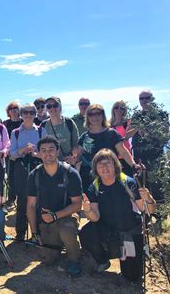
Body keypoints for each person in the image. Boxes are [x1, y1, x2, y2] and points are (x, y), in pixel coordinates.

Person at [80, 149, 156, 281]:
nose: (104, 167)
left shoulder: (129, 183)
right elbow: (95, 217)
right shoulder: (94, 187)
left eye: (108, 163)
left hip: (129, 232)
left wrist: (148, 198)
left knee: (132, 277)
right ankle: (102, 260)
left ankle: (138, 253)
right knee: (86, 232)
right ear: (95, 169)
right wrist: (87, 210)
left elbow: (148, 210)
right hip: (109, 232)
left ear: (115, 165)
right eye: (100, 164)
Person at [26, 136, 83, 277]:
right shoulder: (34, 175)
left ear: (58, 151)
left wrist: (56, 215)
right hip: (45, 221)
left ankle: (74, 259)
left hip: (66, 217)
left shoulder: (70, 173)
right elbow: (31, 205)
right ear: (38, 153)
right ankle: (58, 245)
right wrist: (34, 233)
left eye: (51, 149)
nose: (47, 153)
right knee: (48, 259)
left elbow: (78, 204)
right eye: (43, 150)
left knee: (66, 232)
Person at [78, 104, 140, 191]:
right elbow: (79, 155)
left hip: (110, 175)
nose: (95, 117)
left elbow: (123, 151)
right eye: (91, 114)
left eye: (98, 113)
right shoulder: (84, 137)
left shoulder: (112, 134)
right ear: (87, 117)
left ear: (103, 115)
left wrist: (133, 165)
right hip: (89, 178)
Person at [9, 103, 43, 241]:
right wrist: (23, 150)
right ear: (21, 115)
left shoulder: (41, 131)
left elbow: (45, 153)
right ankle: (21, 232)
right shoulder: (15, 132)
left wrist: (34, 153)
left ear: (35, 114)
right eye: (25, 112)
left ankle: (38, 231)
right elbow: (11, 154)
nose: (28, 115)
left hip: (37, 167)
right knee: (22, 199)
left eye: (31, 112)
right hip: (21, 167)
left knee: (38, 199)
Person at [131, 90, 169, 201]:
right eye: (141, 98)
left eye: (147, 98)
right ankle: (146, 212)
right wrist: (138, 129)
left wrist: (150, 131)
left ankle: (160, 214)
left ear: (152, 99)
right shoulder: (137, 115)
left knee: (157, 183)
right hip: (139, 154)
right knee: (142, 183)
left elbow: (165, 133)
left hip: (155, 154)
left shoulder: (161, 114)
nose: (144, 101)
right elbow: (128, 134)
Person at [40, 96, 79, 166]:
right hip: (50, 164)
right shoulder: (43, 125)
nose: (52, 108)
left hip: (68, 163)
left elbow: (76, 143)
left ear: (60, 107)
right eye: (49, 106)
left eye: (55, 105)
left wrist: (71, 156)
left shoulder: (69, 122)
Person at [3, 101, 23, 208]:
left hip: (22, 154)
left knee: (22, 177)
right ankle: (11, 199)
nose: (14, 110)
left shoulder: (23, 122)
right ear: (8, 111)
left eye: (16, 108)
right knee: (10, 177)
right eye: (11, 109)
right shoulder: (5, 124)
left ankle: (22, 199)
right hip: (9, 155)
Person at [109, 100, 136, 176]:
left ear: (125, 110)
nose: (119, 110)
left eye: (122, 108)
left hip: (126, 157)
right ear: (113, 109)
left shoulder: (128, 122)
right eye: (116, 107)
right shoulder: (108, 124)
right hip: (112, 157)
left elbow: (127, 136)